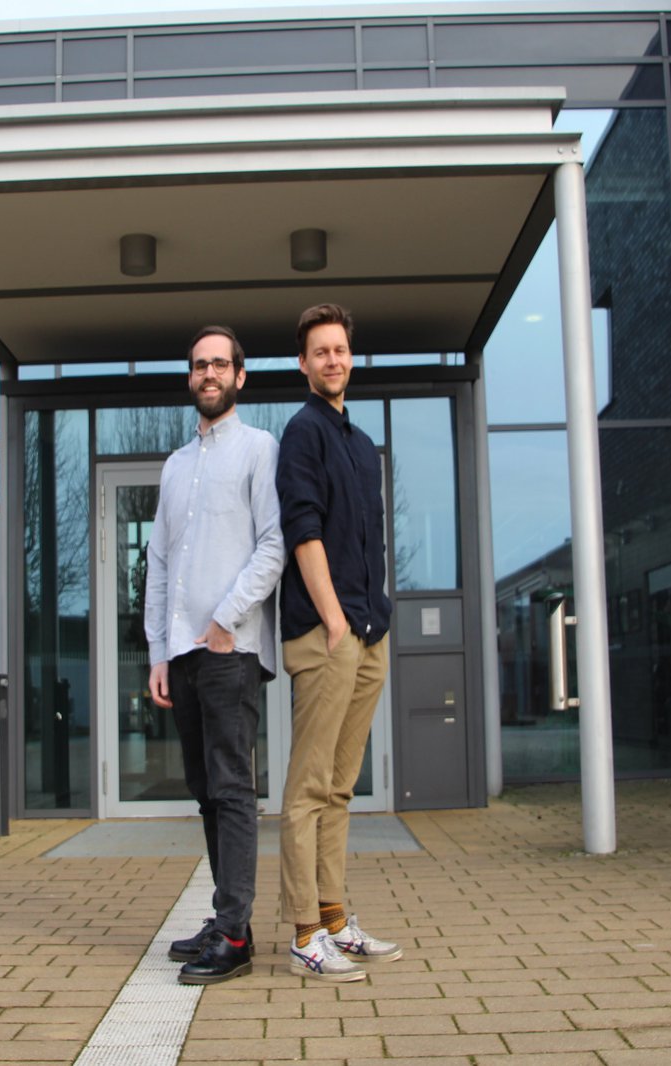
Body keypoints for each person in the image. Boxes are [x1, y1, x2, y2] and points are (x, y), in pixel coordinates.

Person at [144, 324, 284, 985]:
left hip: (230, 650)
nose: (209, 374)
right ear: (190, 376)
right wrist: (158, 652)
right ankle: (229, 915)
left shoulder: (260, 449)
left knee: (231, 790)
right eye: (199, 364)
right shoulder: (174, 467)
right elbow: (160, 563)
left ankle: (234, 935)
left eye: (220, 364)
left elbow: (274, 545)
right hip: (184, 654)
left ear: (240, 377)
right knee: (205, 792)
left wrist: (226, 620)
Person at [275, 303, 402, 982]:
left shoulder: (361, 443)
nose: (332, 359)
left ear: (351, 357)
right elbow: (305, 532)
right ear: (304, 364)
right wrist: (333, 622)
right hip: (328, 634)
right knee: (308, 789)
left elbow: (368, 542)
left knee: (341, 790)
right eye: (320, 351)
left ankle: (333, 919)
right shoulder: (303, 433)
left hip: (368, 630)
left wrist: (372, 619)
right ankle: (302, 934)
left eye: (340, 350)